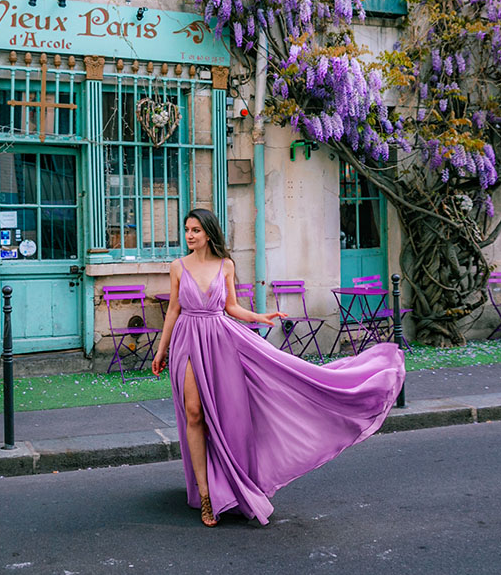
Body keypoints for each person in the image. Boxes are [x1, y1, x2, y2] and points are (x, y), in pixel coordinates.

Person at [151, 207, 405, 527]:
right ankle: (205, 496)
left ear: (209, 233)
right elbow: (173, 309)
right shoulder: (178, 267)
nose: (189, 235)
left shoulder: (225, 265)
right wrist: (162, 350)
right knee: (193, 413)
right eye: (187, 230)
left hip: (219, 342)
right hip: (187, 341)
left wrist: (260, 317)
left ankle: (232, 484)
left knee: (230, 416)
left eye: (195, 230)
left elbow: (231, 307)